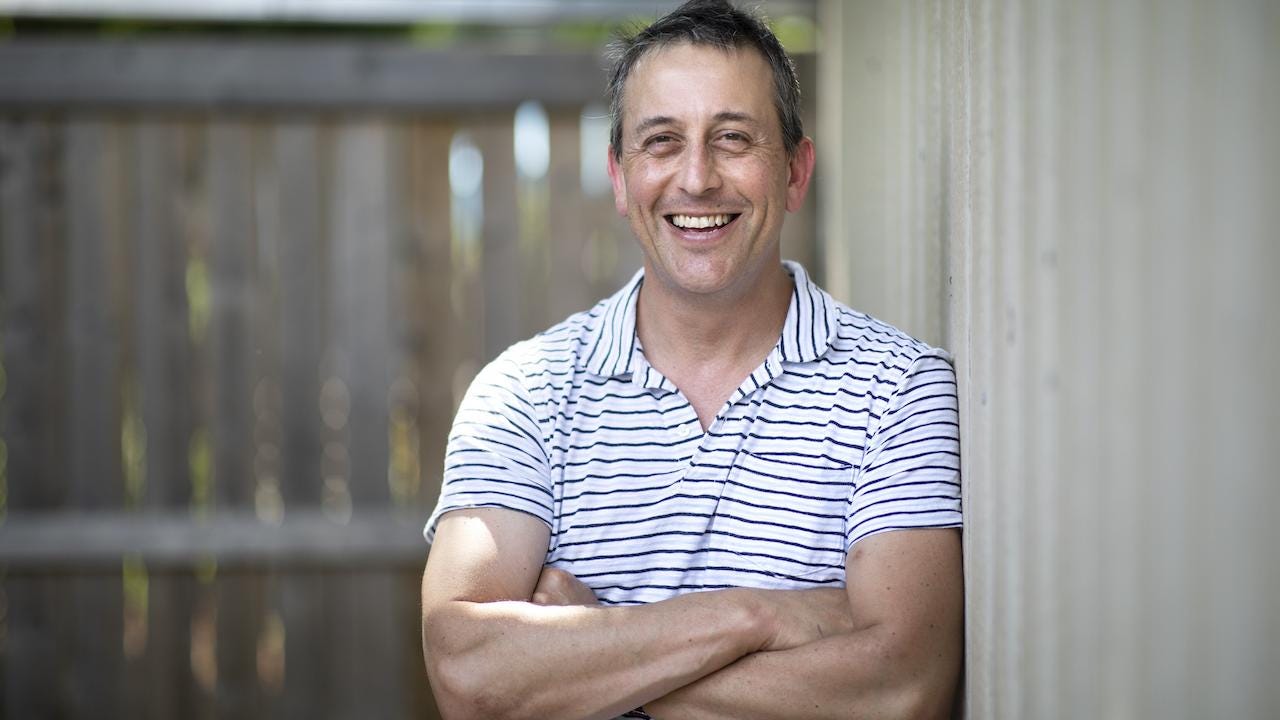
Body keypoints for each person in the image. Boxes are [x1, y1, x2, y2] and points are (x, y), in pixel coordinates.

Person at [419, 1, 963, 718]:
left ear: (796, 171)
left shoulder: (900, 392)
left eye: (733, 138)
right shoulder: (525, 393)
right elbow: (469, 674)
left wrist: (592, 650)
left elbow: (899, 689)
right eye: (662, 142)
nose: (698, 178)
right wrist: (758, 618)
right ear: (620, 177)